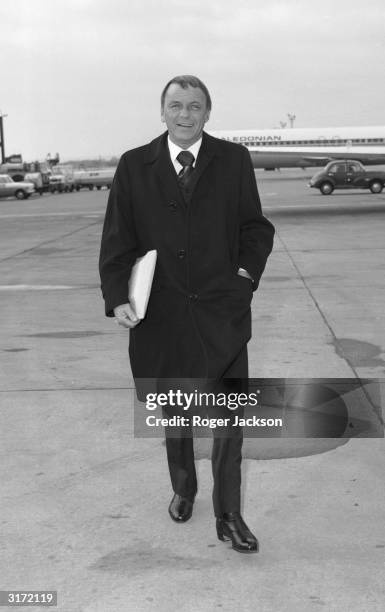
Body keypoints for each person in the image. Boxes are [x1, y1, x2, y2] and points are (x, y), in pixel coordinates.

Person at [99, 75, 275, 553]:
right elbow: (117, 240)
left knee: (230, 419)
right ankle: (183, 486)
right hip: (163, 317)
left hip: (223, 313)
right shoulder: (136, 165)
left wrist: (244, 277)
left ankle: (229, 514)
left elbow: (255, 227)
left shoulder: (233, 160)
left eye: (194, 106)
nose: (184, 114)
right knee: (177, 413)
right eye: (175, 105)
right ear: (162, 112)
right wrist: (119, 298)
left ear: (207, 113)